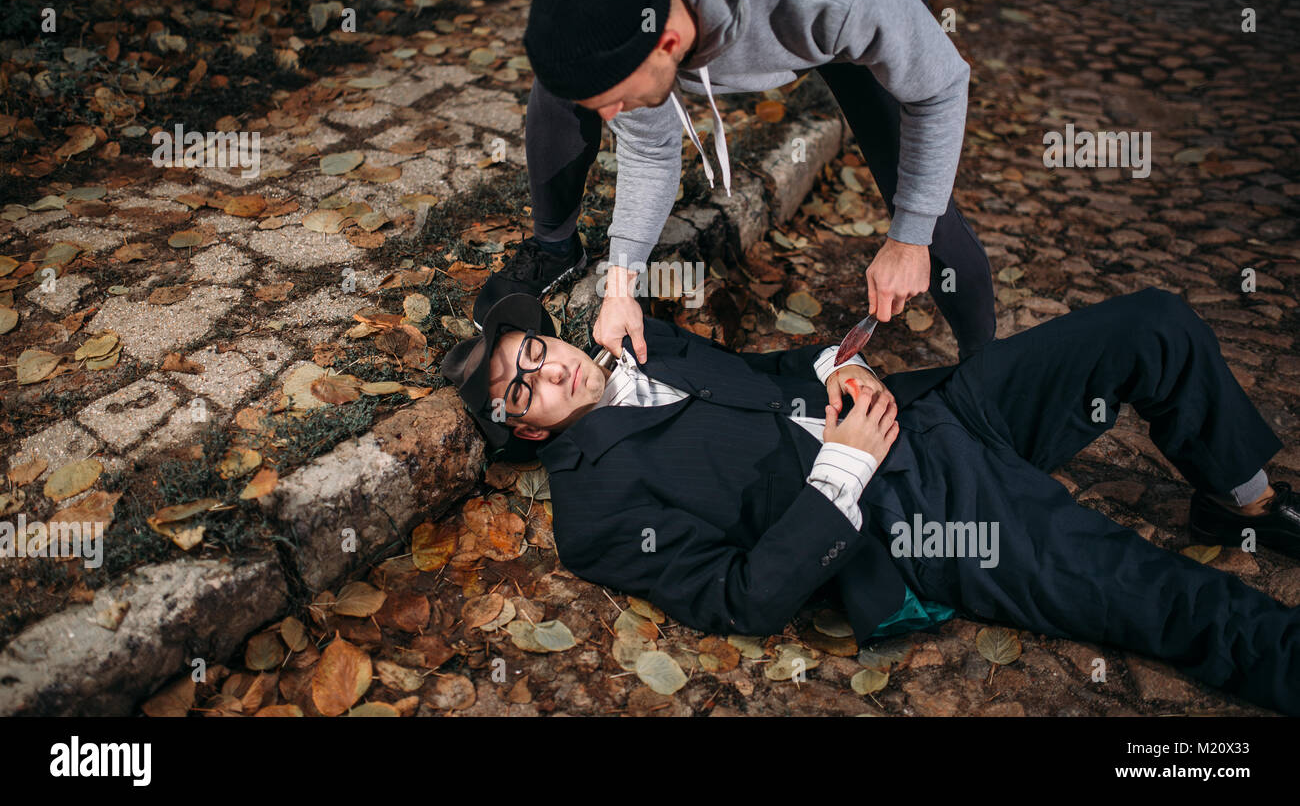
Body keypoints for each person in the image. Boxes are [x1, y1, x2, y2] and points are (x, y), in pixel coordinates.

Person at [442, 288, 1300, 715]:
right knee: (1145, 585)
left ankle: (1241, 502)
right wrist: (840, 473)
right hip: (912, 513)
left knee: (1152, 323)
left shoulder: (634, 341)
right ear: (532, 432)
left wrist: (832, 364)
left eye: (537, 349)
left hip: (937, 407)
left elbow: (765, 377)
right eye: (525, 390)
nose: (549, 370)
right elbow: (741, 598)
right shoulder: (595, 515)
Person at [473, 0, 995, 364]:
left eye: (616, 99)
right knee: (558, 91)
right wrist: (619, 287)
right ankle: (554, 249)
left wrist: (908, 240)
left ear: (669, 43)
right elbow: (651, 153)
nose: (609, 117)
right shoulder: (625, 1)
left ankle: (986, 367)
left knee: (926, 209)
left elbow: (942, 86)